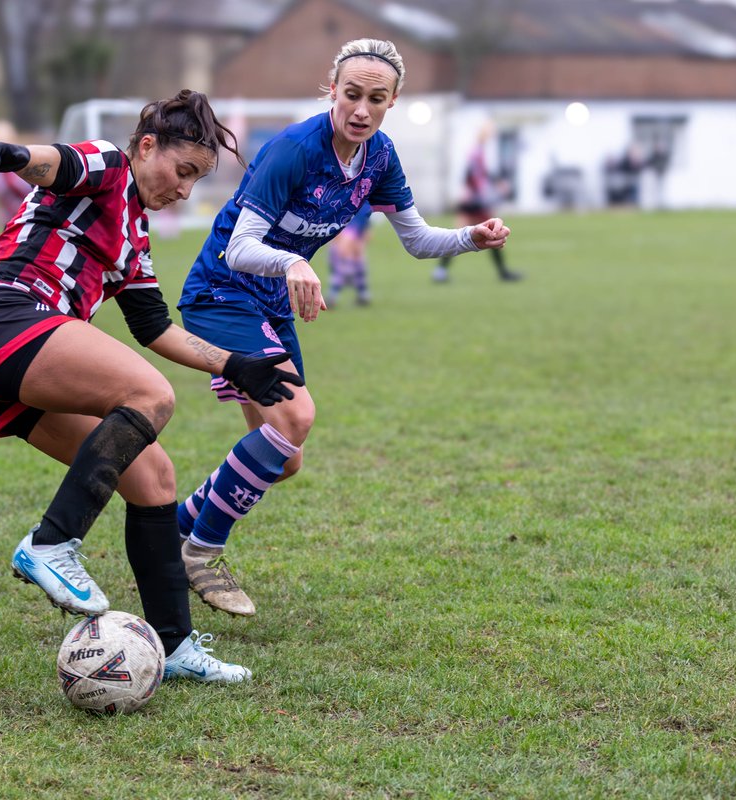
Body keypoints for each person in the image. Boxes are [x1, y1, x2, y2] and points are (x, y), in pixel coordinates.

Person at [0, 90, 304, 682]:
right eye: (182, 170)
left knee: (153, 475)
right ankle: (51, 544)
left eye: (196, 180)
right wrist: (13, 154)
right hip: (2, 316)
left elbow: (155, 328)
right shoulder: (110, 166)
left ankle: (176, 644)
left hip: (18, 353)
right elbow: (61, 161)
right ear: (146, 146)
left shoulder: (135, 237)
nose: (184, 189)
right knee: (152, 395)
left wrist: (236, 365)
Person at [176, 38, 511, 616]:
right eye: (351, 94)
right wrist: (294, 261)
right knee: (297, 418)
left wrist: (469, 238)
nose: (360, 109)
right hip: (222, 292)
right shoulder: (293, 149)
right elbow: (239, 248)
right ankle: (200, 552)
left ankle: (171, 527)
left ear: (392, 101)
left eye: (375, 99)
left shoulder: (380, 156)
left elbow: (416, 240)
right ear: (332, 90)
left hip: (269, 302)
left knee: (285, 457)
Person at [431, 121, 521, 283]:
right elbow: (472, 174)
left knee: (474, 235)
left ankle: (441, 271)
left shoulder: (479, 151)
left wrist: (495, 183)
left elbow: (481, 174)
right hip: (474, 202)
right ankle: (503, 272)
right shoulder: (476, 152)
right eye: (489, 132)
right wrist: (477, 192)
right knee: (489, 233)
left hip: (474, 200)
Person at [326, 202, 372, 308]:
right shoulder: (345, 201)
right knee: (343, 268)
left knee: (358, 266)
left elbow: (366, 227)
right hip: (345, 235)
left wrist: (361, 241)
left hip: (355, 235)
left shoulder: (366, 205)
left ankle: (363, 295)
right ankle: (333, 296)